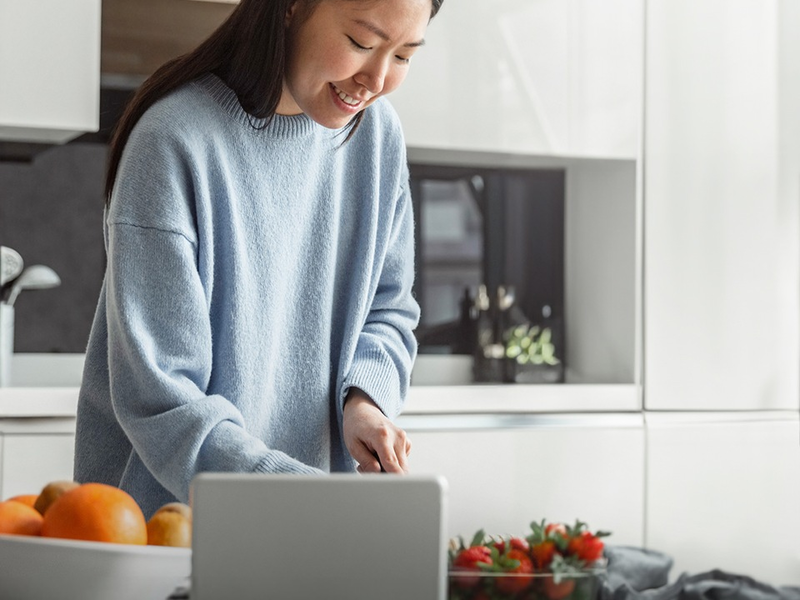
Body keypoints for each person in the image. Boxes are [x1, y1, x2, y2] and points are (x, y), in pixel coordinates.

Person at [73, 0, 444, 518]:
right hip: (162, 528)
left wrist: (363, 402)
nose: (376, 79)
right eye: (362, 43)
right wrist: (305, 493)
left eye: (403, 55)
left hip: (302, 522)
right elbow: (164, 399)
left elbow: (387, 309)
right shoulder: (173, 140)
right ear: (291, 8)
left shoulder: (377, 138)